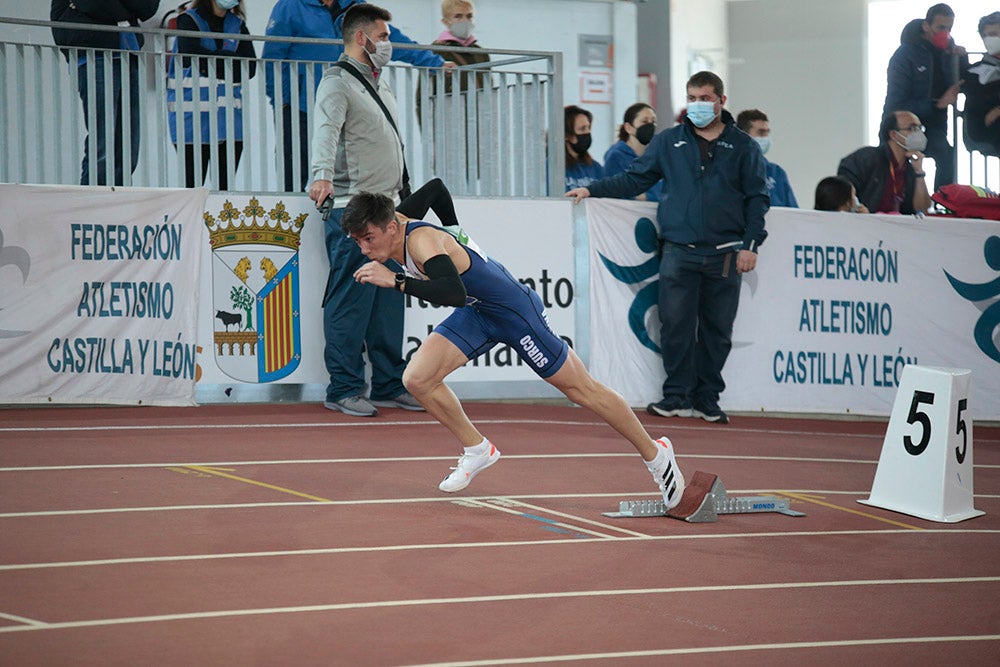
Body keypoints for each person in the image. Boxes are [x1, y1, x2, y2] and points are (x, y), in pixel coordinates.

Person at [341, 188, 686, 508]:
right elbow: (434, 188)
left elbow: (452, 293)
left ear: (390, 227)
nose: (365, 250)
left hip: (513, 313)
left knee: (582, 390)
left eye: (368, 239)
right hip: (478, 312)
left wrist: (398, 279)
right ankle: (477, 449)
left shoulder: (423, 243)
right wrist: (457, 231)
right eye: (358, 242)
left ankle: (656, 454)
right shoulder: (396, 219)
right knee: (417, 378)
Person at [567, 71, 769, 425]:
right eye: (692, 98)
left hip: (725, 251)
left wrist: (750, 244)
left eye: (705, 98)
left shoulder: (744, 147)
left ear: (721, 101)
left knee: (717, 329)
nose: (698, 105)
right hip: (677, 250)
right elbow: (634, 179)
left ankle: (707, 399)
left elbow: (757, 199)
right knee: (674, 324)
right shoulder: (668, 142)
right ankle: (675, 395)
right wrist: (593, 189)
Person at [307, 3, 423, 417]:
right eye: (385, 36)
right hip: (352, 206)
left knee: (390, 298)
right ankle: (343, 388)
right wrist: (321, 175)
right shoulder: (337, 82)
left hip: (387, 206)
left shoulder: (378, 82)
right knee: (351, 299)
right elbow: (325, 129)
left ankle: (390, 384)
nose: (388, 44)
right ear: (363, 38)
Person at [262, 0, 452, 192]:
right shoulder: (290, 6)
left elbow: (389, 38)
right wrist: (283, 101)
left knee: (353, 164)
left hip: (350, 104)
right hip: (300, 105)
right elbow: (272, 56)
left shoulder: (354, 5)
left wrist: (434, 62)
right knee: (294, 166)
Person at [50, 0, 161, 186]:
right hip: (95, 57)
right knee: (103, 144)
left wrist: (110, 13)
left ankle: (119, 201)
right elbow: (94, 5)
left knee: (129, 147)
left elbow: (147, 7)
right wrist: (126, 12)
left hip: (129, 55)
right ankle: (93, 202)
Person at [167, 0, 256, 190]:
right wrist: (228, 60)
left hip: (229, 123)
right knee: (192, 188)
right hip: (192, 122)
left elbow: (250, 67)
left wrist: (212, 59)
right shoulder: (188, 20)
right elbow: (193, 55)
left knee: (225, 191)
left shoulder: (237, 24)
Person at [884, 3, 967, 191]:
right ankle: (906, 206)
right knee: (905, 168)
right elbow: (897, 103)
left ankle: (943, 203)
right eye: (940, 28)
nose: (945, 33)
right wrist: (937, 104)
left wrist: (961, 58)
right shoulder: (904, 55)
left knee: (947, 156)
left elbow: (961, 80)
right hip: (904, 127)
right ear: (926, 26)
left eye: (949, 28)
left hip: (934, 125)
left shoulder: (948, 53)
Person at [837, 110, 933, 215]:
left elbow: (923, 210)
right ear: (893, 135)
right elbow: (842, 193)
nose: (919, 133)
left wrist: (919, 172)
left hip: (898, 228)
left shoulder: (911, 168)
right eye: (912, 128)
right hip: (865, 225)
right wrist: (859, 210)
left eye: (920, 128)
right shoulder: (867, 157)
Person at [736, 109, 798, 208]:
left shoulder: (777, 173)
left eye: (767, 133)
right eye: (761, 133)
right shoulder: (727, 171)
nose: (765, 138)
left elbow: (793, 215)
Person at [603, 102, 662, 202]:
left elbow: (666, 191)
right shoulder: (616, 156)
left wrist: (646, 196)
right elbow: (617, 193)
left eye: (653, 122)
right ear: (628, 128)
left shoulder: (656, 156)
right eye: (644, 121)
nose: (650, 126)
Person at [961, 12, 1000, 156]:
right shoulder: (976, 71)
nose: (990, 39)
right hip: (985, 128)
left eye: (995, 34)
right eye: (986, 35)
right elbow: (979, 102)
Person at [564, 105, 604, 191]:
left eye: (589, 128)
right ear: (566, 135)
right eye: (582, 129)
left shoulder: (595, 168)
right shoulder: (551, 167)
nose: (588, 132)